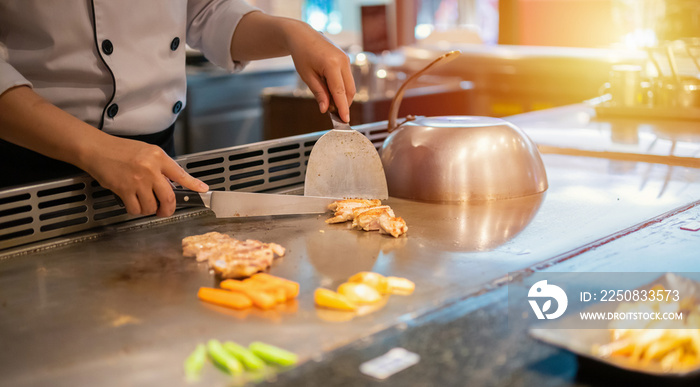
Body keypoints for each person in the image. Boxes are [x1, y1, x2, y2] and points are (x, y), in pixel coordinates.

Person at [0, 0, 355, 217]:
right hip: (29, 167)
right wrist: (96, 149)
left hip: (156, 167)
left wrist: (291, 32)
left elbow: (208, 10)